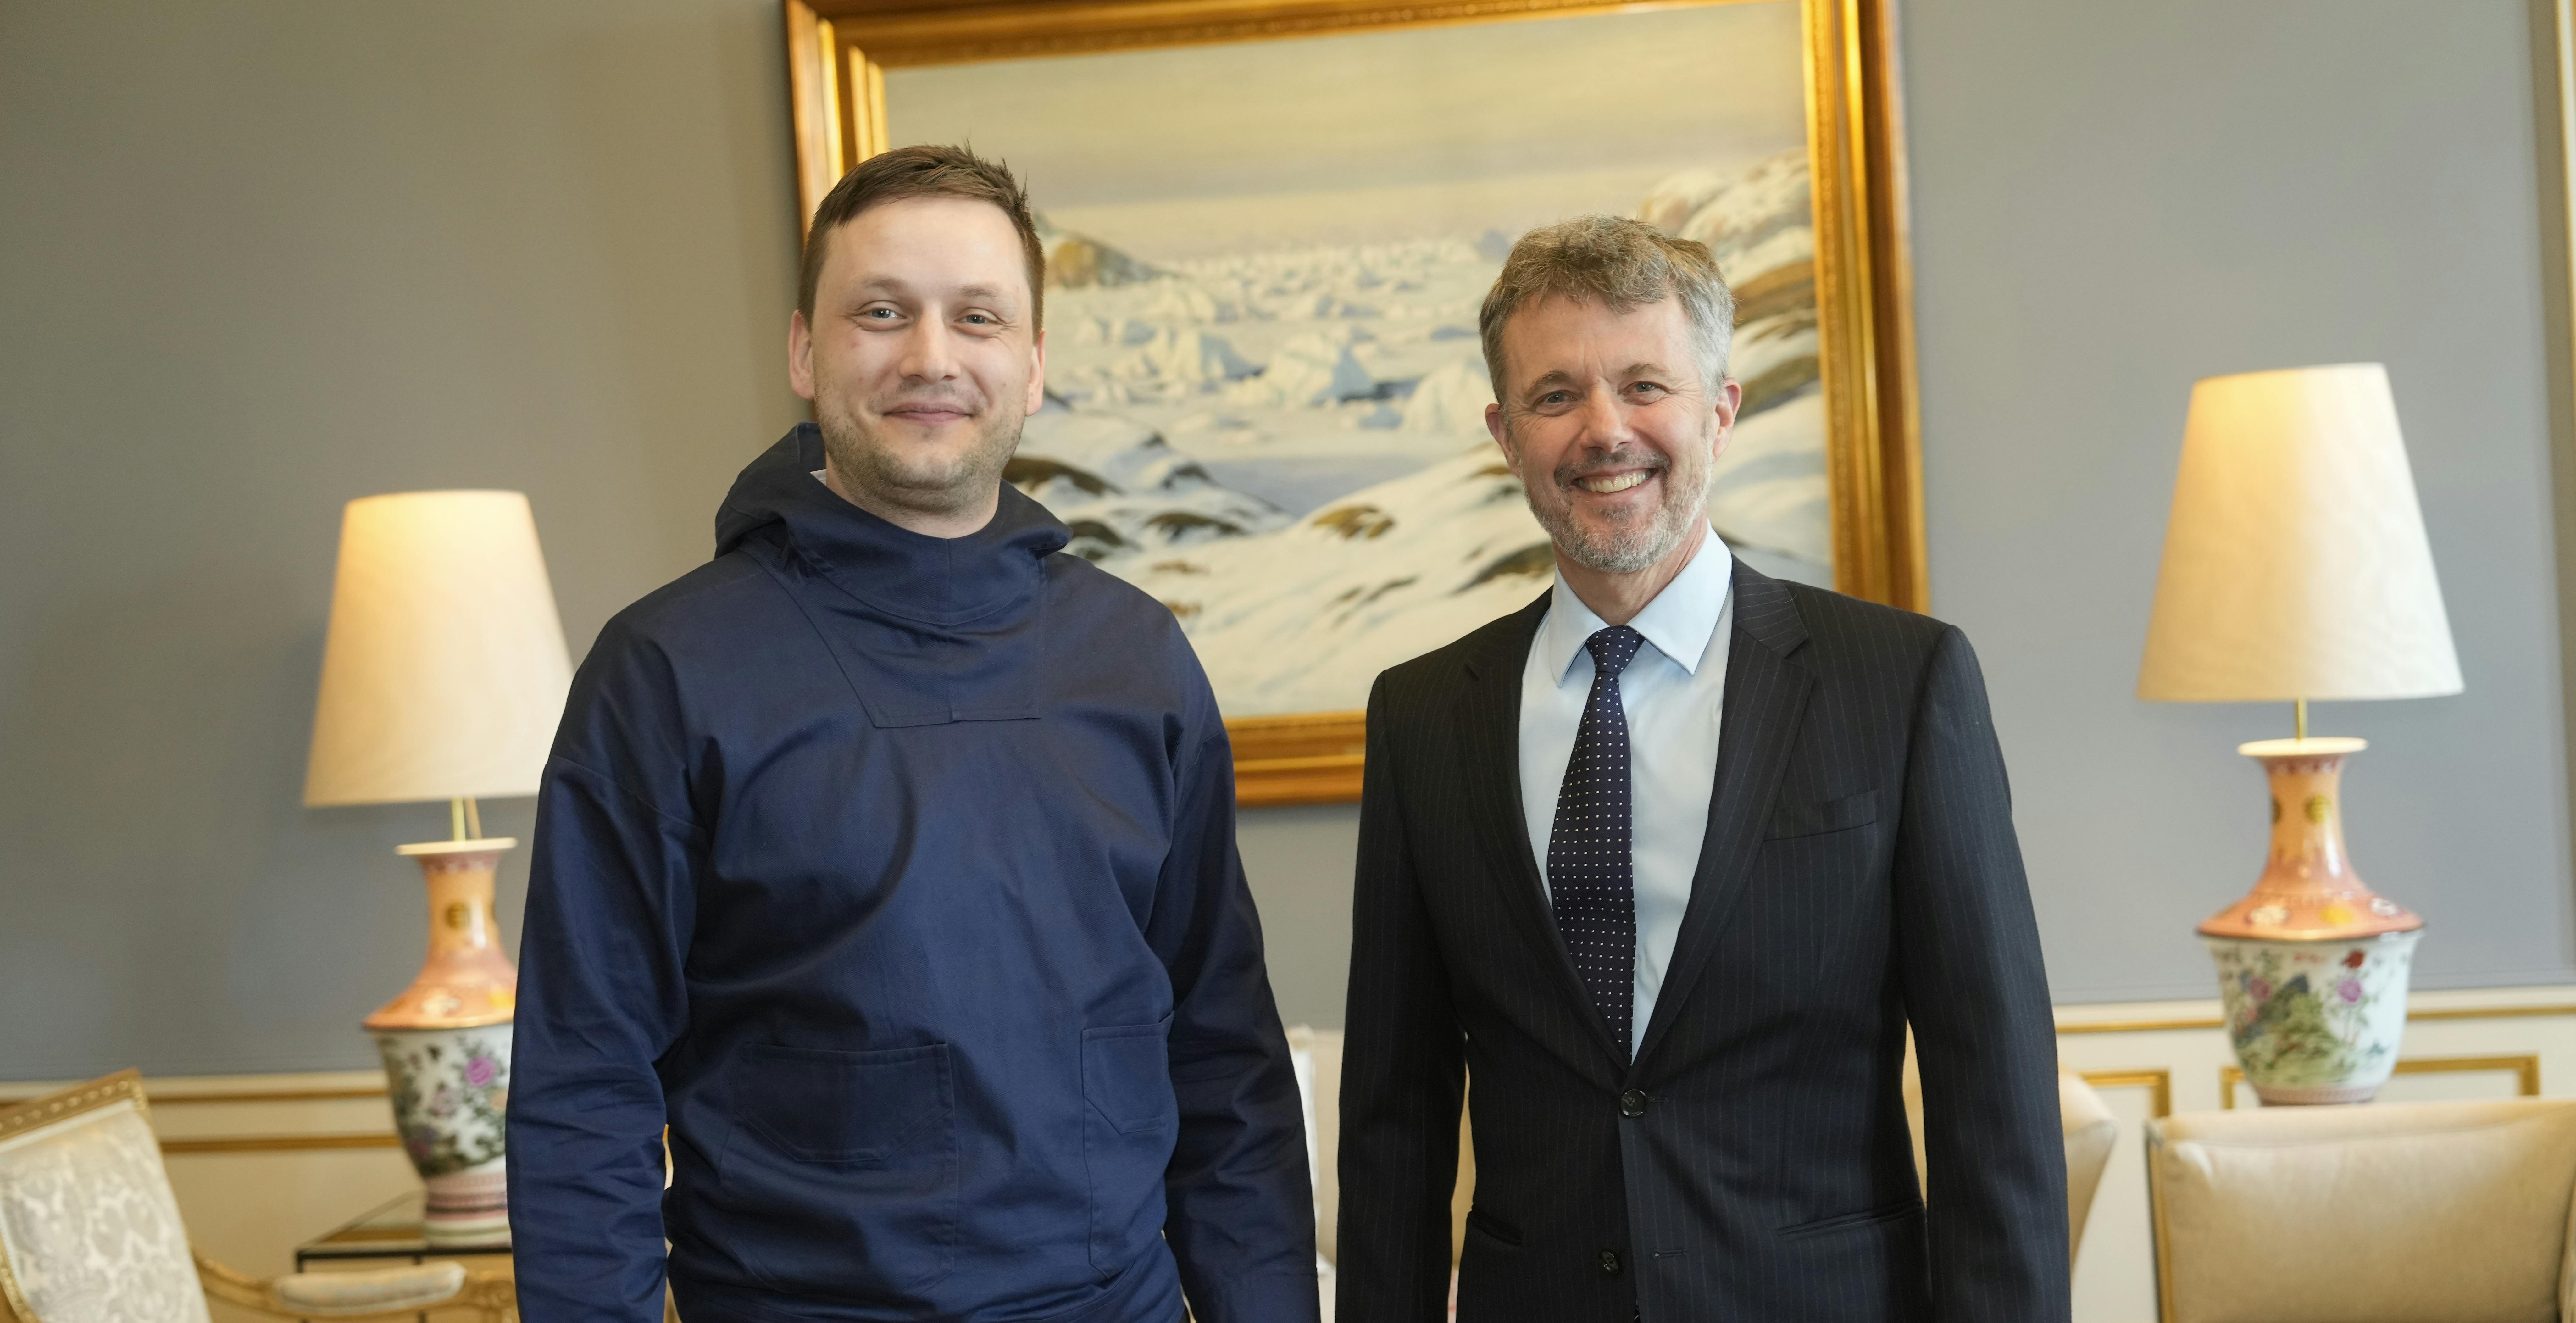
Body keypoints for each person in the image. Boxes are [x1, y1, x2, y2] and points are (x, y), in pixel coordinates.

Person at [508, 145, 1319, 1323]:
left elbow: (1223, 1062)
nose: (931, 356)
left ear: (1033, 365)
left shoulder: (1136, 658)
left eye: (976, 317)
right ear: (804, 350)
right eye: (881, 311)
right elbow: (585, 1087)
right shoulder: (667, 672)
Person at [1335, 216, 2067, 1322]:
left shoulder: (1901, 683)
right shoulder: (1424, 716)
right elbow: (1395, 1116)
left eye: (1644, 385)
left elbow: (1993, 1095)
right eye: (1555, 396)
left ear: (1719, 410)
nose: (1604, 430)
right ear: (1502, 432)